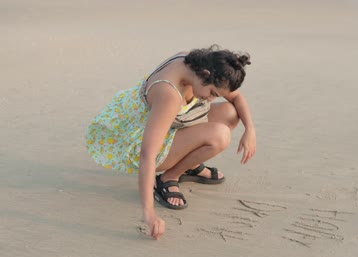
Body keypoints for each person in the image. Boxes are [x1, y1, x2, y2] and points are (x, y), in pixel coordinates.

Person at [85, 45, 256, 240]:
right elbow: (147, 155)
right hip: (140, 141)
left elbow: (236, 97)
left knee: (231, 113)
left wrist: (250, 129)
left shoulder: (196, 63)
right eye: (212, 93)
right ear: (205, 74)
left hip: (171, 124)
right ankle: (169, 178)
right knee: (220, 135)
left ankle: (189, 165)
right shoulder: (169, 94)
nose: (210, 98)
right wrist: (148, 213)